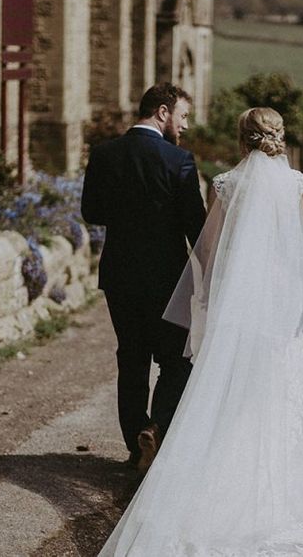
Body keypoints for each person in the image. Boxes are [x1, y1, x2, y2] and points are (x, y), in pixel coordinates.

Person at [98, 107, 303, 556]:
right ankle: (269, 501)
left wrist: (220, 289)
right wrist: (291, 269)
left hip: (237, 306)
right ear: (278, 138)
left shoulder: (227, 184)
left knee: (224, 391)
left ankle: (212, 489)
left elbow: (206, 248)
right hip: (278, 307)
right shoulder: (296, 182)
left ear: (242, 139)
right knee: (270, 395)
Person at [81, 83, 207, 473]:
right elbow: (196, 229)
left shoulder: (104, 154)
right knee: (176, 362)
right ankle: (156, 428)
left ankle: (136, 446)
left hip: (119, 277)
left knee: (131, 360)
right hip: (168, 280)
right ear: (163, 112)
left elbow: (91, 211)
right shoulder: (179, 161)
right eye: (183, 116)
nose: (184, 126)